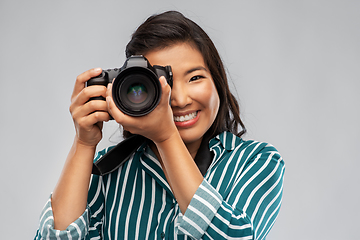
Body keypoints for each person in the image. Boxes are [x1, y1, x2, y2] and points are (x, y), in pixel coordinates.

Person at [34, 11, 285, 240]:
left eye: (195, 77)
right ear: (132, 91)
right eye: (164, 82)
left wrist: (166, 138)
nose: (180, 99)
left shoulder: (257, 161)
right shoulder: (108, 170)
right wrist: (84, 143)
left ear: (217, 80)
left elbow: (234, 236)